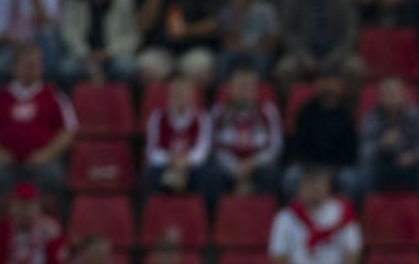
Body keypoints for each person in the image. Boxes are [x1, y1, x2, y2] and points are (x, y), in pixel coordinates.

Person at [0, 45, 79, 214]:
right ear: (14, 67)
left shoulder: (54, 96)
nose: (31, 69)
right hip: (7, 164)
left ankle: (48, 219)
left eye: (35, 65)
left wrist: (46, 154)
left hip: (42, 163)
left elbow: (68, 132)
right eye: (26, 65)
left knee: (54, 175)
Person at [269, 167, 360, 264]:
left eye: (319, 183)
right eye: (309, 184)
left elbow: (352, 251)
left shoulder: (342, 212)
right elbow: (278, 255)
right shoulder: (286, 217)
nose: (314, 189)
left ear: (328, 186)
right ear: (300, 187)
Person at [274, 0, 362, 87]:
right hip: (303, 56)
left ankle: (349, 101)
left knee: (354, 68)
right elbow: (288, 33)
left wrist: (334, 58)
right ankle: (289, 100)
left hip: (337, 55)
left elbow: (350, 32)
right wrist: (303, 56)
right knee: (285, 69)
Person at [134, 0, 217, 85]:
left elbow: (213, 24)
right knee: (146, 71)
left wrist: (188, 30)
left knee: (204, 71)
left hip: (190, 49)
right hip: (158, 49)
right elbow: (142, 26)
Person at [57, 0, 140, 85]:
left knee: (127, 67)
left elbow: (133, 37)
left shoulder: (124, 0)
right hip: (82, 56)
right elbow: (68, 33)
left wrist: (108, 53)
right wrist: (86, 54)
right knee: (66, 69)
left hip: (113, 55)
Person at [209, 66, 283, 199]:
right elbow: (214, 147)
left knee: (271, 174)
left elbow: (275, 146)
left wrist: (252, 163)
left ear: (255, 89)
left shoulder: (268, 111)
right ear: (230, 88)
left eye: (248, 85)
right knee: (212, 175)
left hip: (257, 163)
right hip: (228, 164)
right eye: (240, 85)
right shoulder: (219, 112)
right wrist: (235, 167)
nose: (244, 90)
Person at [282, 72, 359, 199]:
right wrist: (311, 168)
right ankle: (297, 208)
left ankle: (343, 209)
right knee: (290, 177)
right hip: (309, 165)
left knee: (349, 179)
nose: (328, 87)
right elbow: (298, 145)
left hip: (336, 168)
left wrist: (330, 171)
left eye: (332, 83)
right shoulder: (306, 112)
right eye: (324, 82)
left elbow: (350, 151)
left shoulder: (346, 115)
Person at [358, 75, 419, 202]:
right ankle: (366, 209)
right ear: (379, 97)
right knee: (364, 169)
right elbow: (365, 151)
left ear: (403, 95)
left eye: (394, 93)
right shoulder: (371, 118)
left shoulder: (417, 116)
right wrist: (381, 145)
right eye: (386, 94)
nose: (391, 97)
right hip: (382, 166)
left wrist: (414, 156)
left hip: (410, 166)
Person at [142, 76, 211, 197]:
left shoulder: (201, 118)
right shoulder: (158, 117)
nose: (180, 97)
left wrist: (185, 161)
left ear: (191, 95)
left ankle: (200, 208)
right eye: (177, 93)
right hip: (165, 164)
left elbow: (202, 150)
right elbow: (151, 151)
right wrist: (169, 159)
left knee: (205, 174)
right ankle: (154, 207)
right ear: (169, 95)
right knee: (151, 174)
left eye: (184, 93)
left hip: (190, 166)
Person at [215, 0, 281, 80]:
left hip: (259, 50)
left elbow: (272, 37)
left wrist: (255, 48)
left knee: (260, 61)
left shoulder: (266, 9)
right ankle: (223, 89)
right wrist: (237, 14)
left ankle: (261, 88)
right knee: (222, 61)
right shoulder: (228, 10)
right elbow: (227, 40)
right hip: (236, 50)